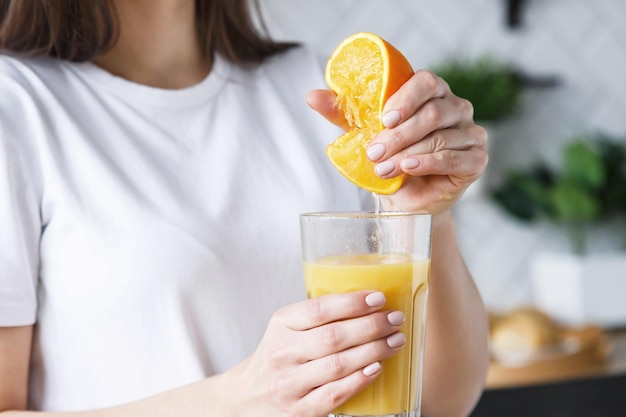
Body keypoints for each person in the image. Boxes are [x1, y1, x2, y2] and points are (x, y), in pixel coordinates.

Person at [0, 1, 489, 417]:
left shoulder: (321, 93)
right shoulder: (17, 105)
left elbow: (440, 400)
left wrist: (427, 217)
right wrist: (238, 398)